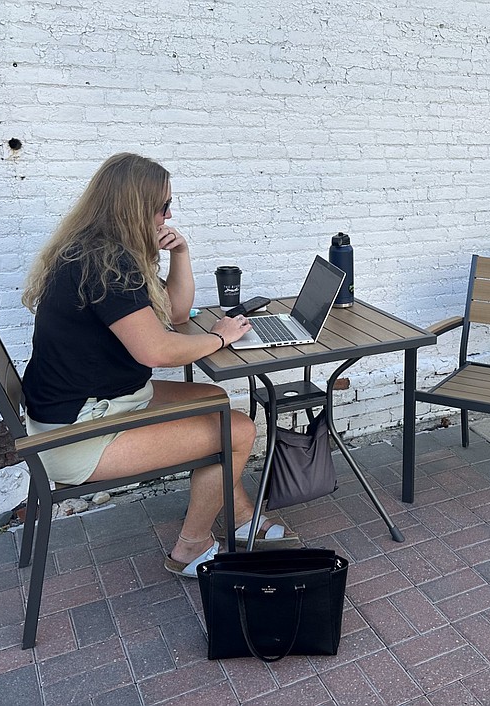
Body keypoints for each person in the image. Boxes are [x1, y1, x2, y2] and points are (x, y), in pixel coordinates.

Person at [20, 153, 290, 579]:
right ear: (133, 208)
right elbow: (158, 351)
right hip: (78, 435)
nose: (169, 214)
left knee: (215, 399)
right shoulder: (105, 267)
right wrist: (221, 338)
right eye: (162, 206)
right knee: (239, 430)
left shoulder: (100, 252)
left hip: (95, 405)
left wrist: (181, 252)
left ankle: (239, 515)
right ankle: (190, 548)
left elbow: (177, 314)